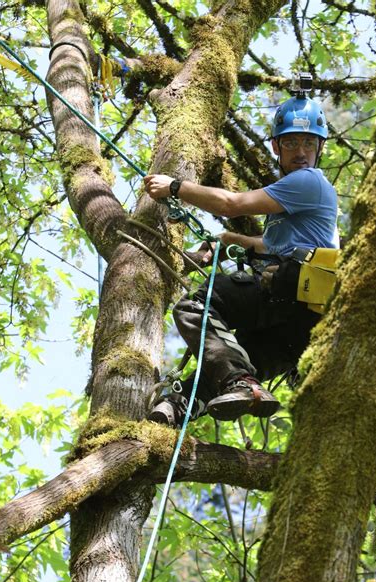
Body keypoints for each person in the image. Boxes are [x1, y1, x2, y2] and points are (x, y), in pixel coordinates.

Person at [144, 93, 339, 427]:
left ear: (320, 148)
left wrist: (175, 187)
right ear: (278, 148)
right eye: (292, 144)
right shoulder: (298, 197)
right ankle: (175, 408)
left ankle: (237, 384)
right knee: (234, 362)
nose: (302, 152)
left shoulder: (308, 182)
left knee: (196, 306)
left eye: (309, 143)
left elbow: (231, 204)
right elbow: (275, 244)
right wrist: (235, 241)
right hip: (304, 325)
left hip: (289, 292)